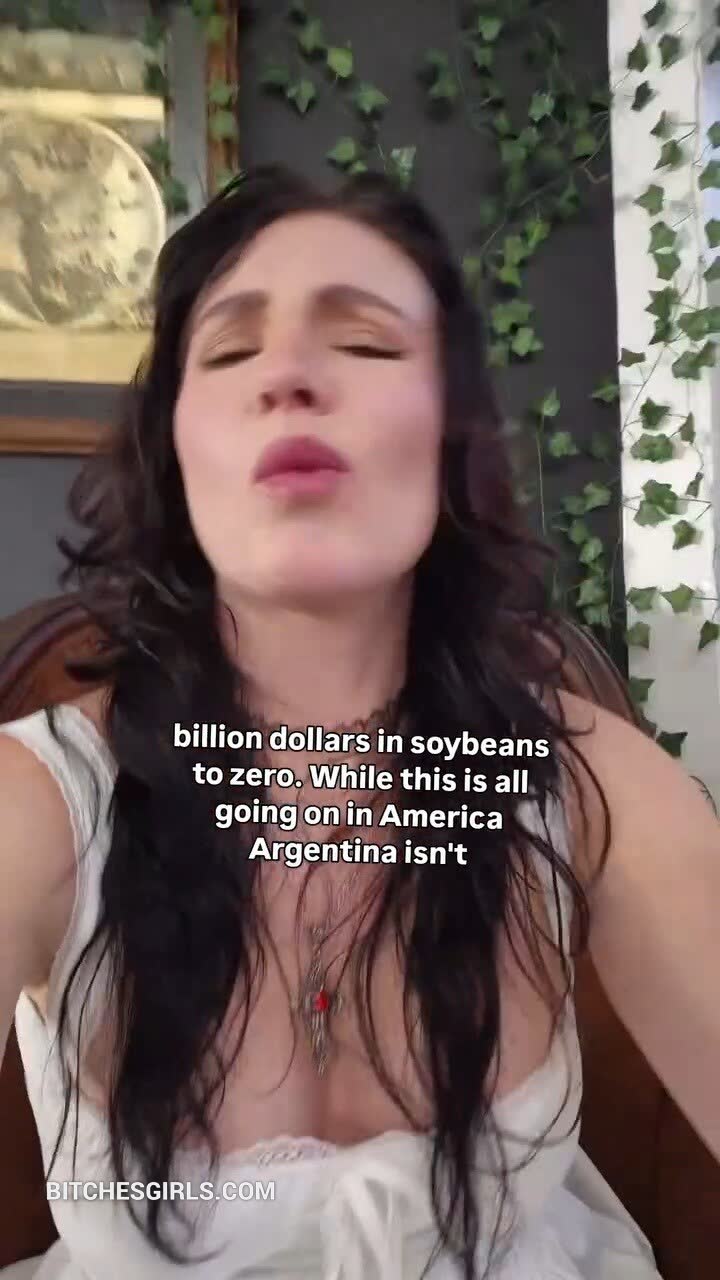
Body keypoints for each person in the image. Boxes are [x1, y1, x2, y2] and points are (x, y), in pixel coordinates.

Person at [0, 164, 718, 1280]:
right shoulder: (37, 804)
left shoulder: (590, 788)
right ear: (176, 447)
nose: (288, 374)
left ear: (451, 435)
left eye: (366, 343)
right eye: (230, 350)